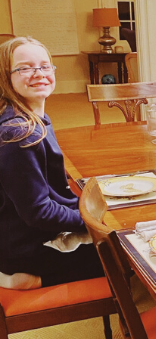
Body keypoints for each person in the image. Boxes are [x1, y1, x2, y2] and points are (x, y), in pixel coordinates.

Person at [0, 37, 102, 290]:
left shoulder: (32, 118)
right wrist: (92, 221)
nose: (39, 74)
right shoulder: (20, 134)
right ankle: (28, 279)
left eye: (45, 66)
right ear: (5, 76)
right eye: (25, 68)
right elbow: (39, 212)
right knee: (132, 256)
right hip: (26, 248)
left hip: (21, 235)